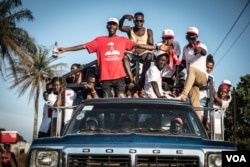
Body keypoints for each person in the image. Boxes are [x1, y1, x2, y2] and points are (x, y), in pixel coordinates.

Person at [57, 17, 168, 98]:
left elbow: (139, 45)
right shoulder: (99, 40)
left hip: (119, 77)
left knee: (121, 99)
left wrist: (157, 47)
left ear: (117, 27)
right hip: (105, 78)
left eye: (114, 24)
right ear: (107, 26)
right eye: (110, 24)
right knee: (107, 100)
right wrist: (65, 49)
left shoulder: (122, 40)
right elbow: (83, 46)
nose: (111, 26)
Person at [178, 27, 208, 121]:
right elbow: (183, 62)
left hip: (201, 77)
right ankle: (199, 122)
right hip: (192, 80)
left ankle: (183, 94)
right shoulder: (185, 49)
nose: (191, 40)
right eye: (189, 38)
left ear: (196, 37)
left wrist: (198, 49)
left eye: (193, 38)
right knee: (195, 101)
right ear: (187, 38)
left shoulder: (202, 46)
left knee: (192, 69)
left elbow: (204, 52)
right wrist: (175, 72)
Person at [119, 12, 154, 87]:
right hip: (132, 53)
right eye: (136, 21)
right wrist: (123, 17)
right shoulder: (130, 29)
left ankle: (142, 79)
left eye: (140, 21)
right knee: (124, 56)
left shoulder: (148, 31)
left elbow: (151, 46)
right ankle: (132, 79)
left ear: (143, 22)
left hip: (143, 53)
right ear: (134, 21)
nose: (138, 23)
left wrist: (141, 49)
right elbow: (120, 27)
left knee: (149, 56)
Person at [200, 54, 215, 129]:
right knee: (200, 117)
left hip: (208, 100)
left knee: (206, 119)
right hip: (201, 98)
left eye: (210, 68)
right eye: (207, 67)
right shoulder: (200, 74)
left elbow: (212, 89)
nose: (208, 69)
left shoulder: (212, 77)